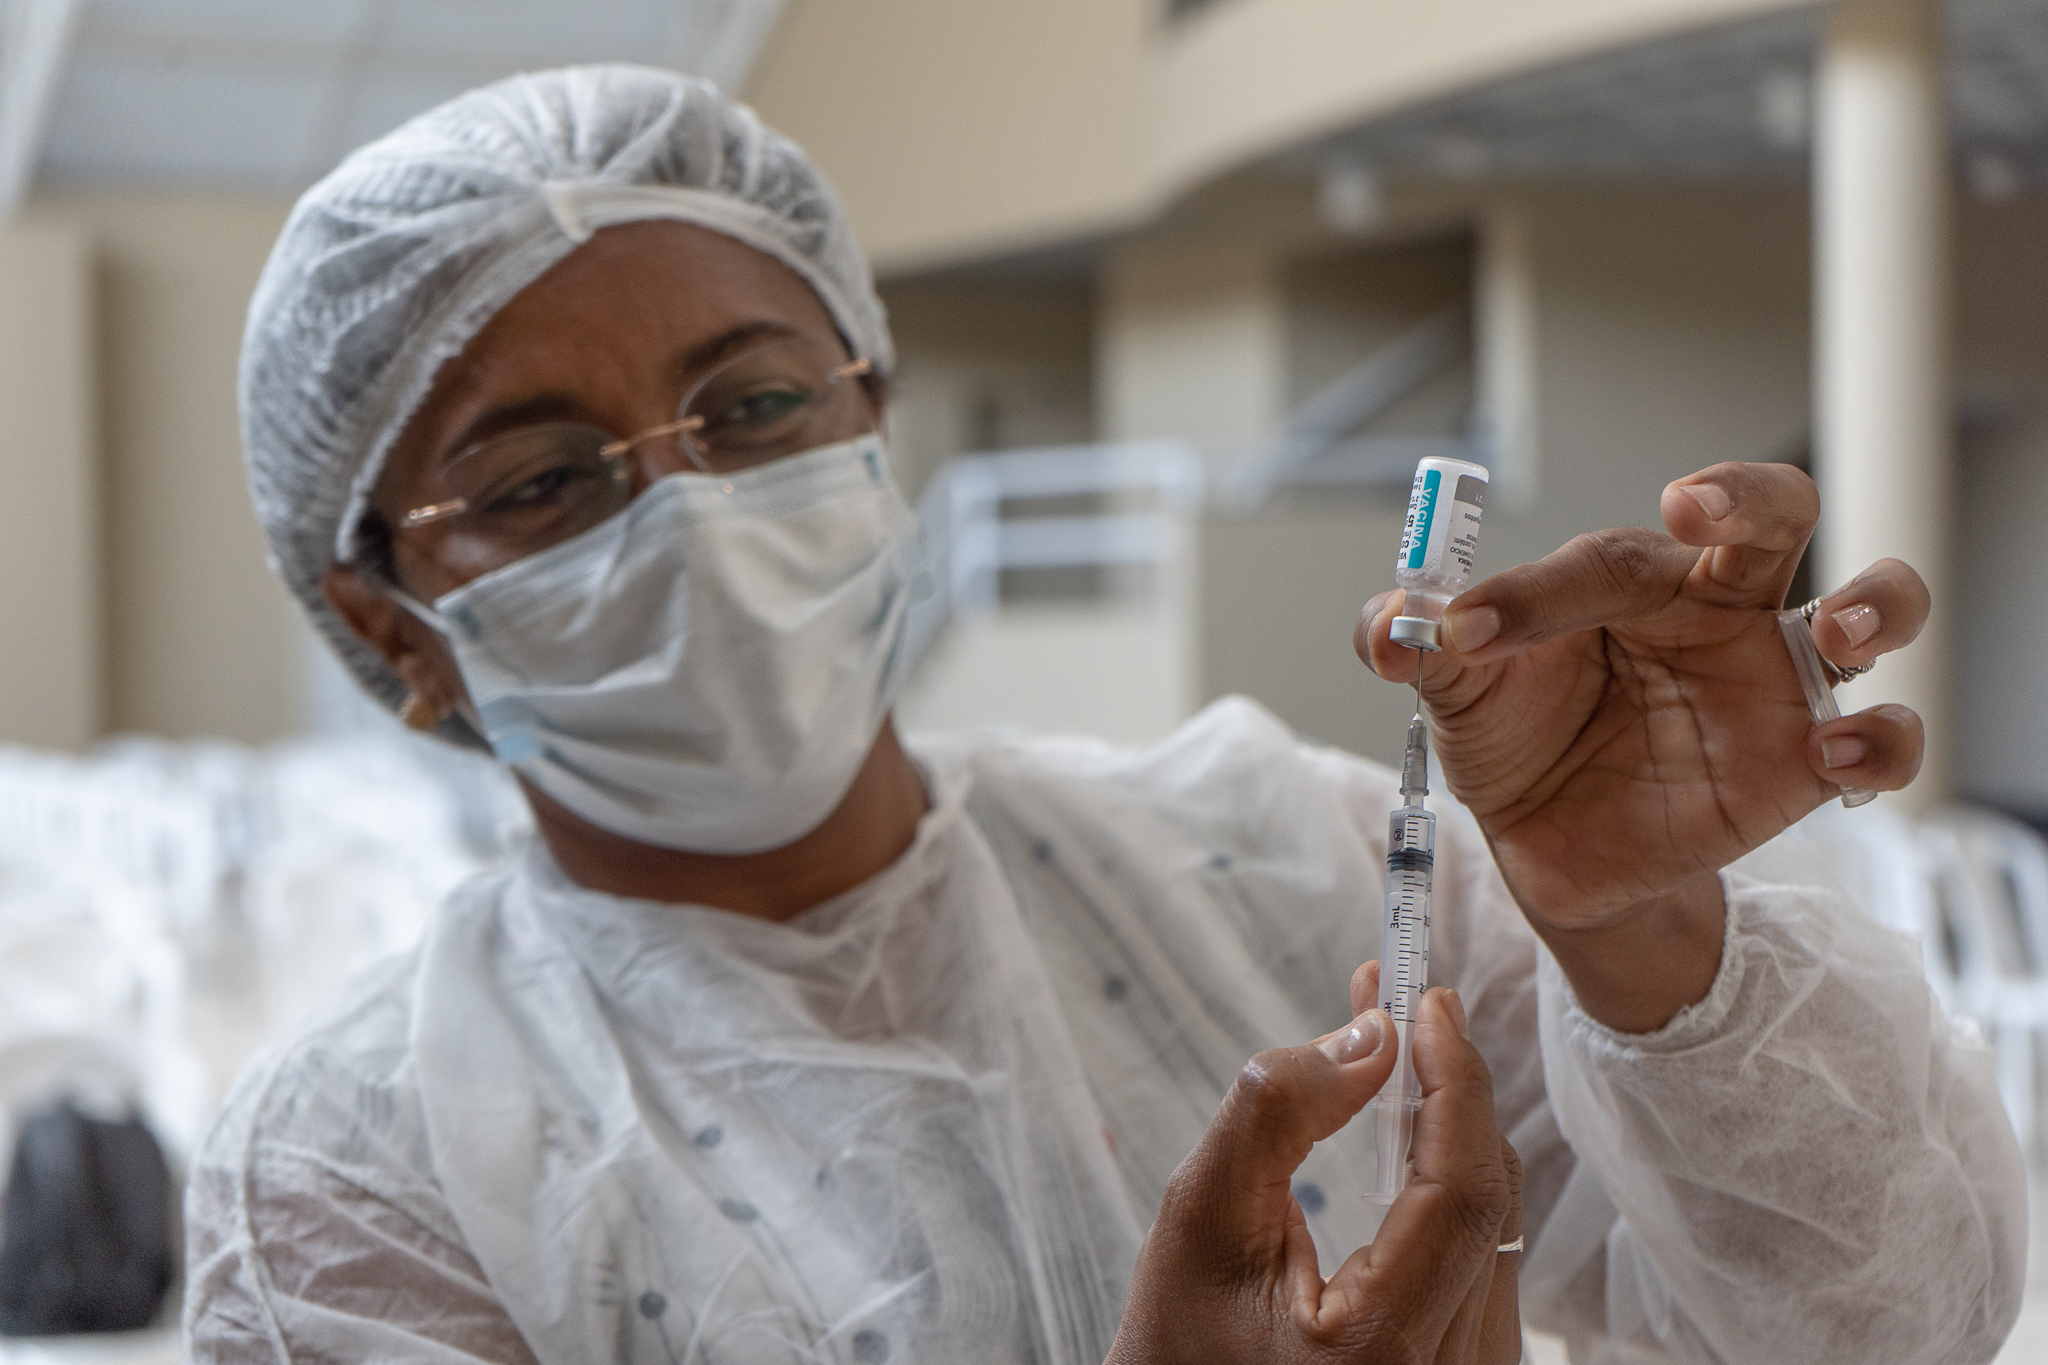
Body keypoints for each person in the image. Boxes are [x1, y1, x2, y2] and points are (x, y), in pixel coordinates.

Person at [185, 65, 2025, 1365]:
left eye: (752, 409)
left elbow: (1893, 1328)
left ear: (871, 412)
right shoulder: (363, 1177)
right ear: (390, 627)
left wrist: (1641, 939)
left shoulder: (1269, 851)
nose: (695, 521)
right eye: (541, 481)